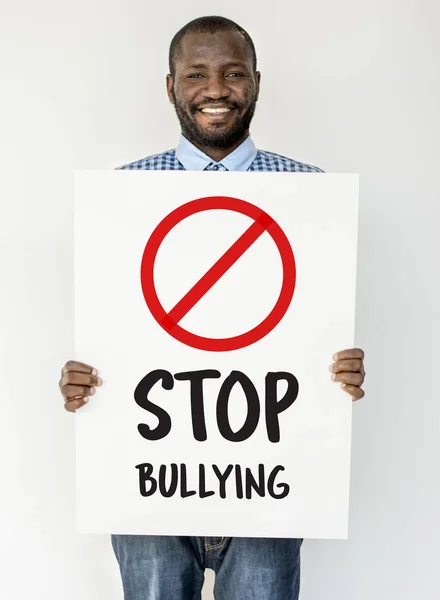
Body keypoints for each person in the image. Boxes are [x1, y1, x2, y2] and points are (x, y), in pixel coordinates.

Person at [59, 15, 366, 600]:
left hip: (267, 475)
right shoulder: (122, 196)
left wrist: (336, 376)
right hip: (148, 474)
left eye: (232, 73)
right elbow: (118, 327)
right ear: (170, 86)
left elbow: (313, 330)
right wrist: (87, 381)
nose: (216, 89)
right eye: (196, 73)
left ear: (256, 82)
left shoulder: (310, 194)